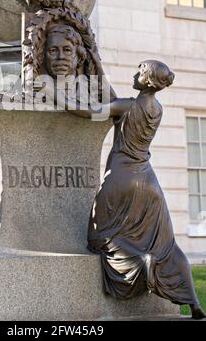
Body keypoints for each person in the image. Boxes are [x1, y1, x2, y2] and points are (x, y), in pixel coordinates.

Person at [87, 60, 205, 320]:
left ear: (148, 80)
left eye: (139, 72)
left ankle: (140, 265)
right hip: (149, 182)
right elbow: (115, 102)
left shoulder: (127, 106)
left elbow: (92, 111)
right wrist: (96, 67)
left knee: (100, 236)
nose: (133, 74)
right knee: (167, 246)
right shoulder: (157, 108)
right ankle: (193, 302)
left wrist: (55, 98)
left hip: (121, 177)